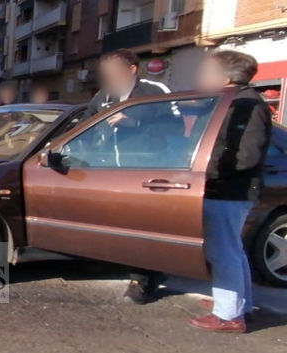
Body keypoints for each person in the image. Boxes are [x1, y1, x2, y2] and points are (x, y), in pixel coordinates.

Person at [187, 50, 271, 333]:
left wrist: (204, 174)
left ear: (225, 78)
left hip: (229, 190)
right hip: (224, 188)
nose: (203, 77)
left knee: (222, 251)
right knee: (231, 249)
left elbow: (245, 155)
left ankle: (229, 316)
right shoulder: (230, 102)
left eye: (208, 71)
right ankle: (237, 304)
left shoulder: (246, 105)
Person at [84, 48, 173, 305]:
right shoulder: (104, 95)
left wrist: (133, 123)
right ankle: (118, 264)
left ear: (132, 69)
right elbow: (85, 125)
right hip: (109, 172)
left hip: (147, 171)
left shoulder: (154, 92)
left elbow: (175, 127)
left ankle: (142, 281)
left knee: (144, 227)